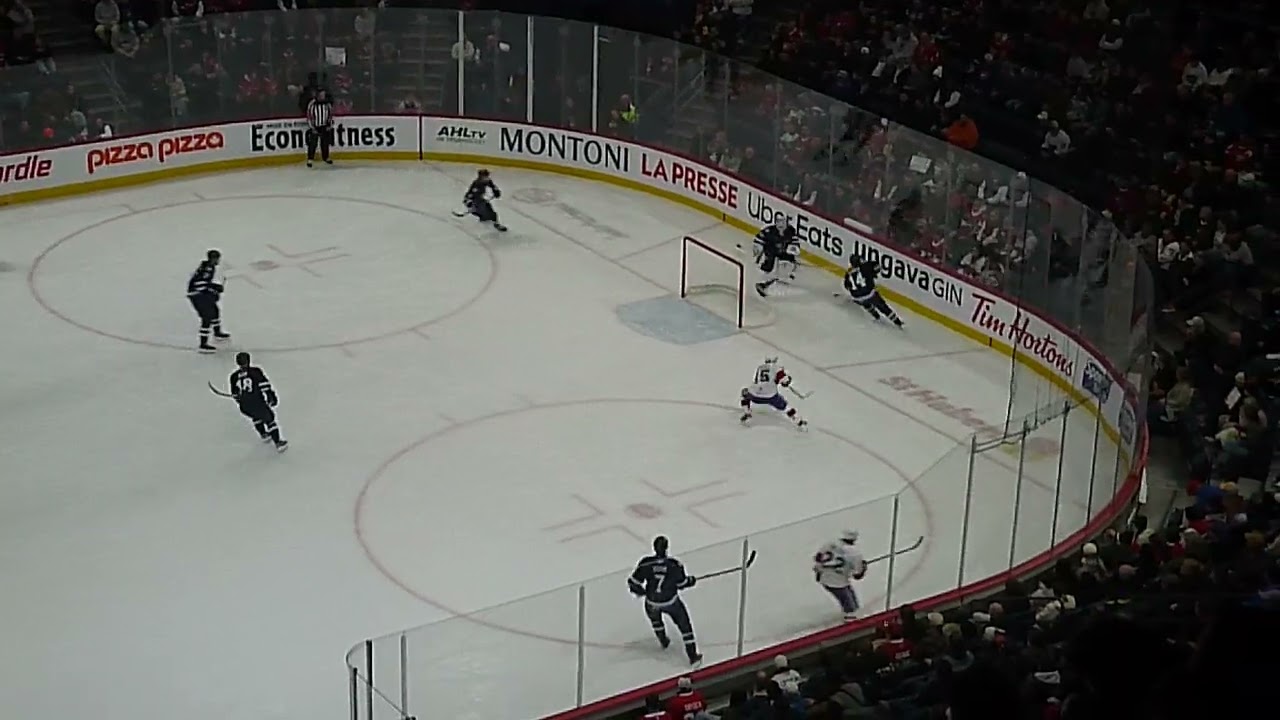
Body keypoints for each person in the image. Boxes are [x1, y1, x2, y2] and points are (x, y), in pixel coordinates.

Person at [628, 535, 702, 666]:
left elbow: (633, 582)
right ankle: (692, 656)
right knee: (685, 626)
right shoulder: (674, 564)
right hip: (670, 602)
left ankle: (663, 641)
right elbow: (681, 583)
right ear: (666, 548)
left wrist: (642, 592)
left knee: (656, 621)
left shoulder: (646, 562)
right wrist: (690, 581)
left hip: (652, 602)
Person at [228, 352, 288, 452]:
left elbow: (235, 394)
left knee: (255, 416)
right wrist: (271, 396)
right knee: (269, 419)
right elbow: (264, 385)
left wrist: (241, 401)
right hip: (257, 402)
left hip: (245, 406)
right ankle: (278, 443)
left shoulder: (233, 376)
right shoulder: (255, 371)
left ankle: (264, 434)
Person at [187, 249, 228, 353]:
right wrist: (214, 288)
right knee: (207, 317)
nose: (218, 260)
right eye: (217, 258)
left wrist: (213, 289)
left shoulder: (208, 267)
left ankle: (217, 332)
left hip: (200, 293)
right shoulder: (207, 269)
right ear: (213, 259)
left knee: (215, 311)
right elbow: (200, 284)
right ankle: (203, 344)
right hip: (197, 295)